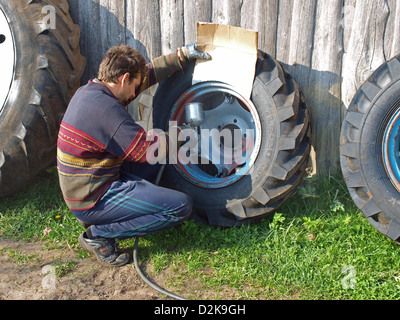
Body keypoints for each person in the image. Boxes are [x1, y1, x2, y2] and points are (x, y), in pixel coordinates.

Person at [57, 43, 210, 267]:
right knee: (179, 207)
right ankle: (100, 234)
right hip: (93, 199)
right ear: (123, 79)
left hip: (95, 179)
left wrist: (182, 56)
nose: (136, 92)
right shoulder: (107, 111)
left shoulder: (92, 91)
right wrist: (183, 136)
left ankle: (122, 210)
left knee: (162, 155)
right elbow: (145, 151)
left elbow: (144, 77)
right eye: (134, 85)